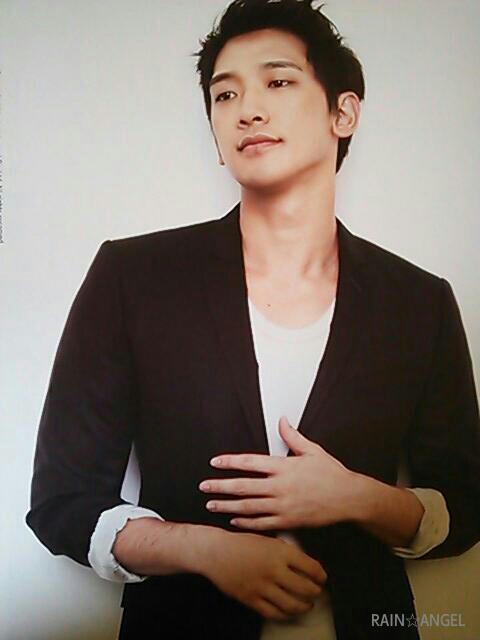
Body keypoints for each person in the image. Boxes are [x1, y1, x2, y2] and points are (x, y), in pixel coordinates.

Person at [26, 1, 480, 638]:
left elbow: (467, 505)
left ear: (343, 113)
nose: (247, 109)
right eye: (225, 94)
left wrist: (357, 497)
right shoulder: (133, 277)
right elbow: (62, 501)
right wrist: (204, 550)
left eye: (278, 81)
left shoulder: (419, 301)